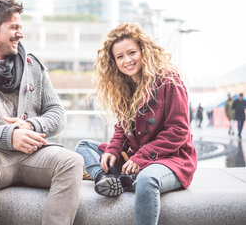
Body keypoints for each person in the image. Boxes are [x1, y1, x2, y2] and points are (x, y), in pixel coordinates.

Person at [0, 0, 84, 225]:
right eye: (14, 27)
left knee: (73, 162)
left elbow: (57, 114)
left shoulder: (33, 66)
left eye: (21, 27)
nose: (20, 34)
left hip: (32, 152)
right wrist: (9, 136)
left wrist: (30, 126)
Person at [75, 23, 197, 225]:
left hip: (171, 160)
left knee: (146, 180)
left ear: (144, 51)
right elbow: (122, 129)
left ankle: (126, 179)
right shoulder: (124, 86)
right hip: (135, 158)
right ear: (114, 62)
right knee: (84, 147)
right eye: (120, 57)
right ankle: (105, 180)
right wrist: (113, 151)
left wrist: (141, 158)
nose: (127, 60)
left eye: (132, 52)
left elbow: (178, 131)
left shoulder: (169, 81)